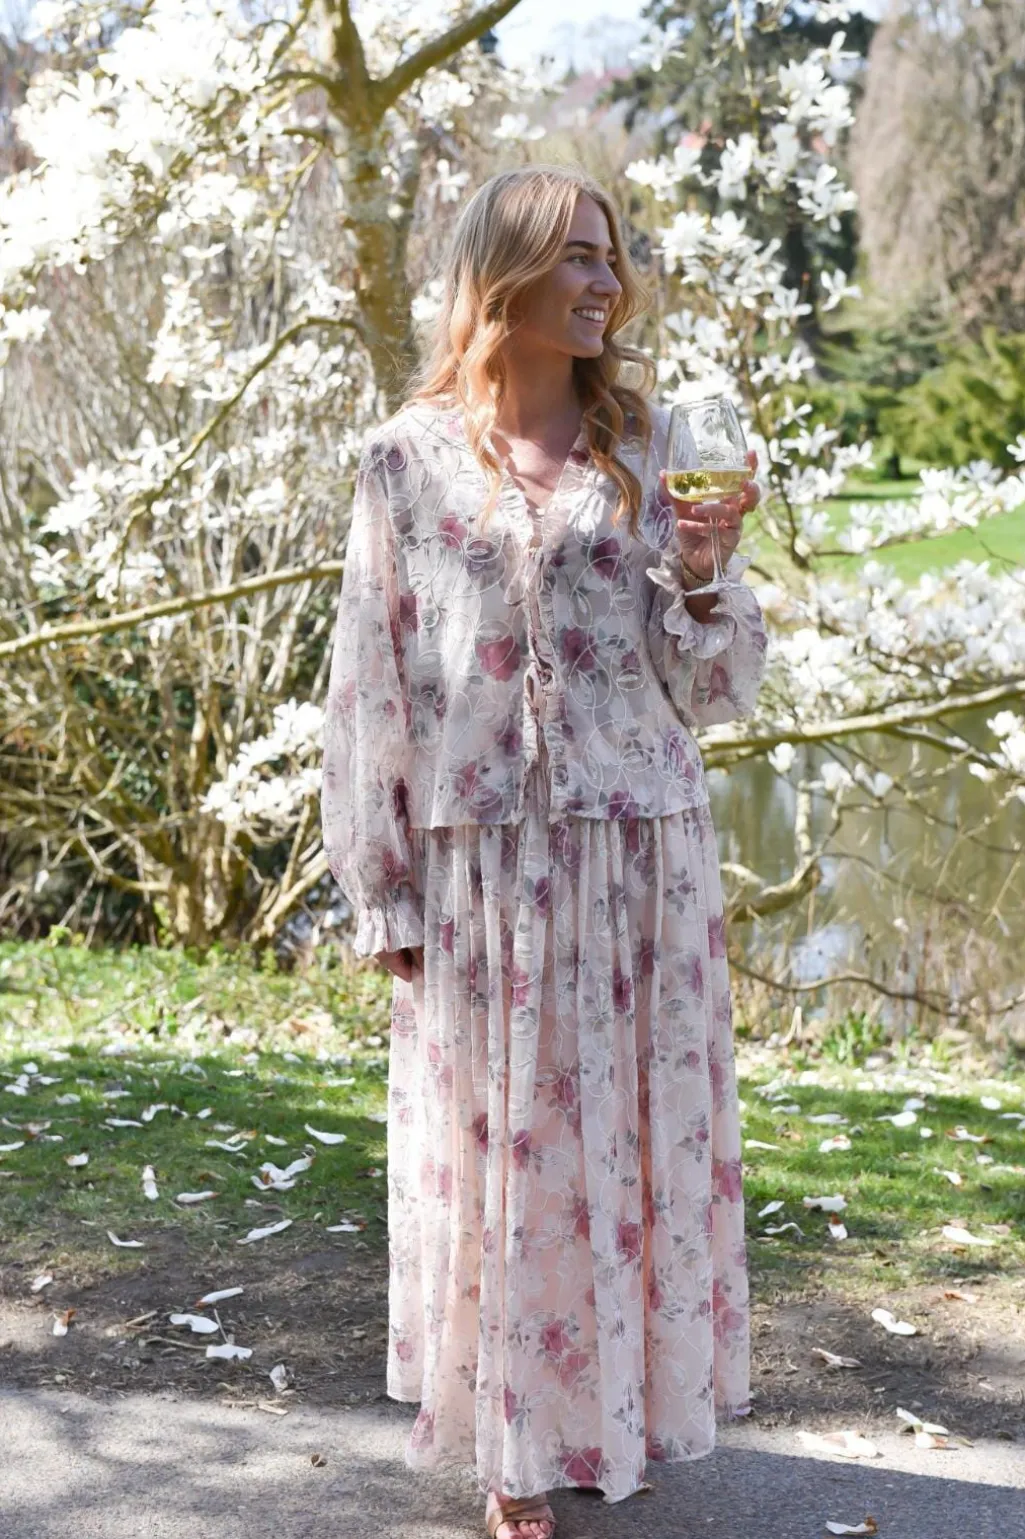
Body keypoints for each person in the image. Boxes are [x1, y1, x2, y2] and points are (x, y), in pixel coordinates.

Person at [320, 163, 767, 1539]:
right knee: (504, 1151)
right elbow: (372, 685)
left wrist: (707, 572)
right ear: (504, 276)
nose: (605, 282)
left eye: (610, 257)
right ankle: (514, 1448)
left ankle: (614, 1415)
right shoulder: (404, 462)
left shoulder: (654, 442)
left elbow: (713, 687)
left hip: (643, 854)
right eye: (577, 256)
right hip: (486, 869)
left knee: (626, 1147)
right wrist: (380, 886)